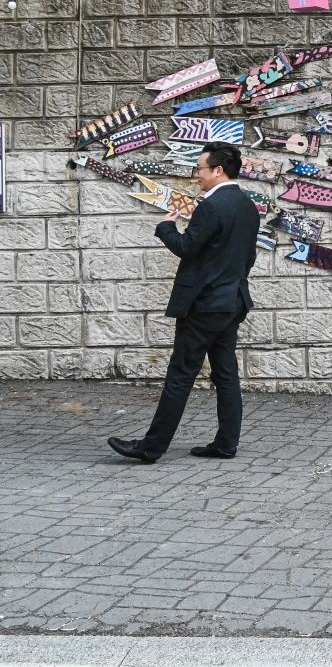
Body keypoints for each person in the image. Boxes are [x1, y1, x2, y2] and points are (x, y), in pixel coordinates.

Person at [108, 142, 259, 463]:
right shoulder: (248, 206)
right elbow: (247, 257)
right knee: (226, 375)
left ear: (218, 170)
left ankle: (151, 447)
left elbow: (186, 247)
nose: (197, 176)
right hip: (233, 301)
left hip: (204, 306)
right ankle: (226, 443)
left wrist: (165, 227)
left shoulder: (212, 206)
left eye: (200, 169)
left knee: (180, 375)